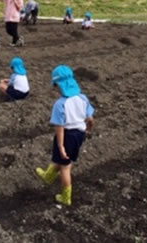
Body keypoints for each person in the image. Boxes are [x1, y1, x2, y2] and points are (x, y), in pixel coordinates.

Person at [36, 65, 95, 207]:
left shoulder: (60, 104)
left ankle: (66, 197)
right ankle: (48, 175)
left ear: (59, 85)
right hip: (79, 135)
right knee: (63, 160)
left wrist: (61, 145)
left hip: (67, 136)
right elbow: (91, 119)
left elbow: (60, 127)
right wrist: (88, 129)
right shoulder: (83, 98)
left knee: (65, 167)